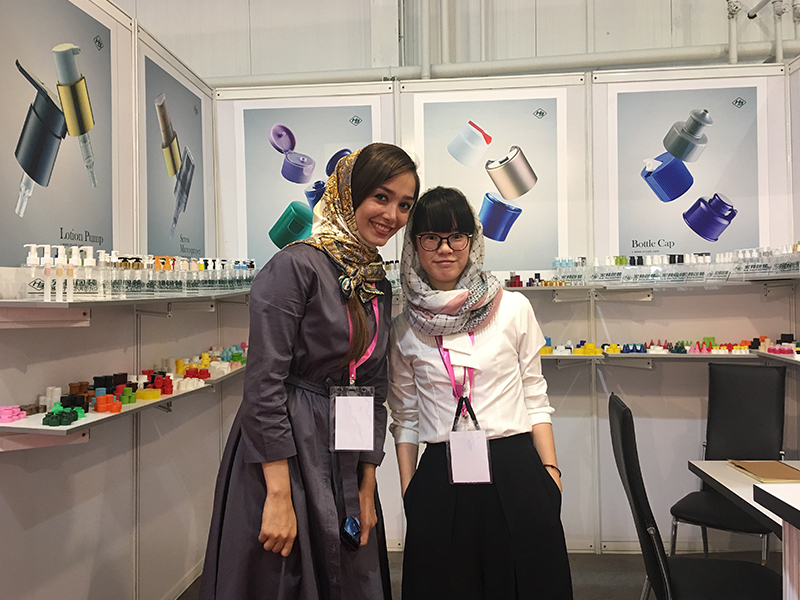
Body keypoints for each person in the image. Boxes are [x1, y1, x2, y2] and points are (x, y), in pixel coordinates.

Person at [199, 143, 419, 600]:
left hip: (345, 448)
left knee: (350, 567)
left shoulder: (375, 278)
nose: (392, 215)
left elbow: (373, 385)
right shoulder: (294, 266)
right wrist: (278, 494)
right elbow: (264, 384)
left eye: (404, 205)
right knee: (286, 575)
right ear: (349, 193)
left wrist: (367, 482)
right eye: (381, 197)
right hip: (288, 450)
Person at [387, 186, 573, 600]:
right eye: (431, 237)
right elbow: (405, 417)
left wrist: (551, 473)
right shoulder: (403, 328)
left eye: (457, 236)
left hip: (517, 469)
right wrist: (409, 491)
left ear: (473, 241)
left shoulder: (513, 308)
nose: (445, 249)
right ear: (413, 245)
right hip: (440, 477)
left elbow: (535, 394)